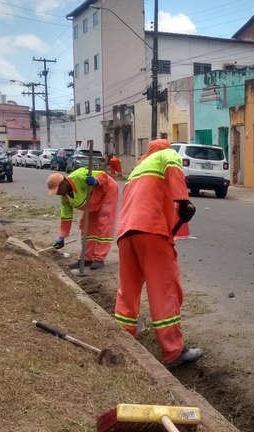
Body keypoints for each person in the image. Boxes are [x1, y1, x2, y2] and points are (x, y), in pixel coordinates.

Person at [113, 139, 201, 369]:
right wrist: (183, 200)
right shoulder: (166, 155)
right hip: (151, 231)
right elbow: (174, 165)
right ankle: (173, 352)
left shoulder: (137, 169)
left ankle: (122, 342)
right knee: (164, 290)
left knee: (128, 291)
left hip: (125, 234)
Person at [47, 166, 119, 270]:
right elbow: (66, 216)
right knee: (86, 226)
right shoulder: (65, 197)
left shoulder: (79, 176)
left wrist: (96, 180)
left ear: (64, 183)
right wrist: (62, 236)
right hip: (92, 202)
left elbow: (102, 175)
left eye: (57, 190)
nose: (57, 193)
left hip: (106, 191)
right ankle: (86, 258)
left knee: (104, 222)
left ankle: (99, 258)